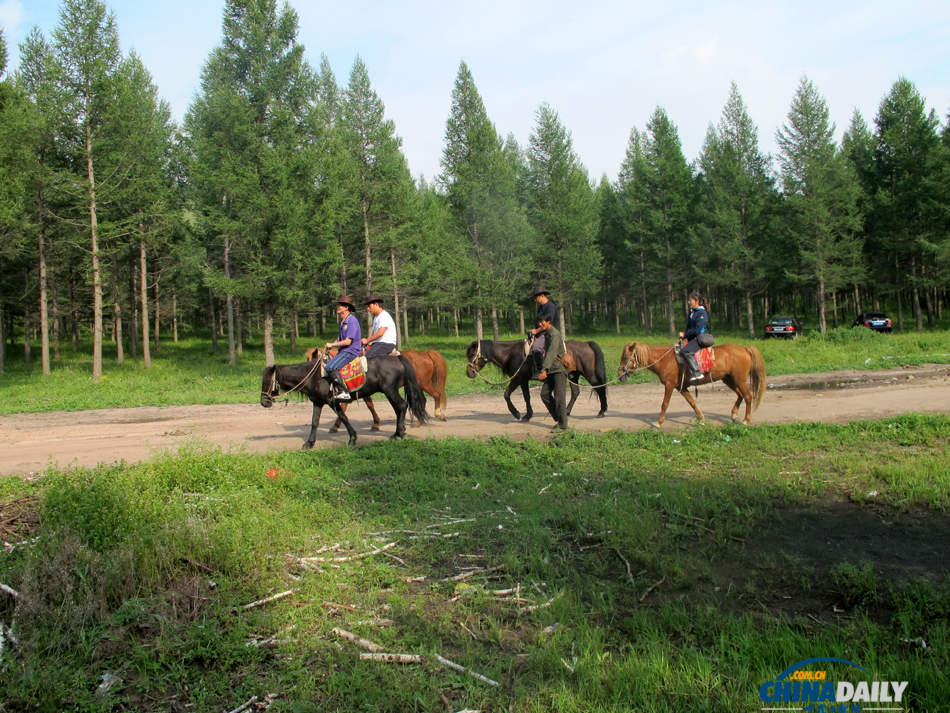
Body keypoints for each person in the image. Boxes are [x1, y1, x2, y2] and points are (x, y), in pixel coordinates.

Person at [324, 295, 363, 400]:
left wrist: (332, 345)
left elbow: (348, 341)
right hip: (344, 350)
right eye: (338, 305)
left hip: (350, 351)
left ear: (346, 307)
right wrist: (334, 344)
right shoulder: (343, 321)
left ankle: (343, 391)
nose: (338, 307)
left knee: (330, 367)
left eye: (340, 305)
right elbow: (341, 338)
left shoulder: (352, 321)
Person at [537, 314, 569, 431]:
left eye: (542, 322)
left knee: (559, 398)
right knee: (544, 394)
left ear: (549, 321)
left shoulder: (554, 334)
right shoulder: (547, 334)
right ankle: (559, 418)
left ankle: (563, 425)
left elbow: (551, 353)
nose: (540, 324)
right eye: (539, 322)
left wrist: (544, 370)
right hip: (552, 370)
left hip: (559, 370)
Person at [678, 291, 712, 384]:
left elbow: (697, 330)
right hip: (692, 339)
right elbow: (689, 327)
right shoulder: (692, 312)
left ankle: (697, 372)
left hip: (699, 339)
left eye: (690, 300)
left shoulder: (702, 313)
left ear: (697, 301)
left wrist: (685, 334)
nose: (689, 302)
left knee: (686, 351)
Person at [528, 286, 559, 379]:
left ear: (542, 296)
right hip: (540, 332)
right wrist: (535, 334)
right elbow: (538, 322)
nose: (535, 300)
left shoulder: (551, 307)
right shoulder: (541, 308)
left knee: (536, 347)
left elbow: (546, 324)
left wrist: (536, 331)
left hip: (548, 333)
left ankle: (540, 370)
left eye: (536, 297)